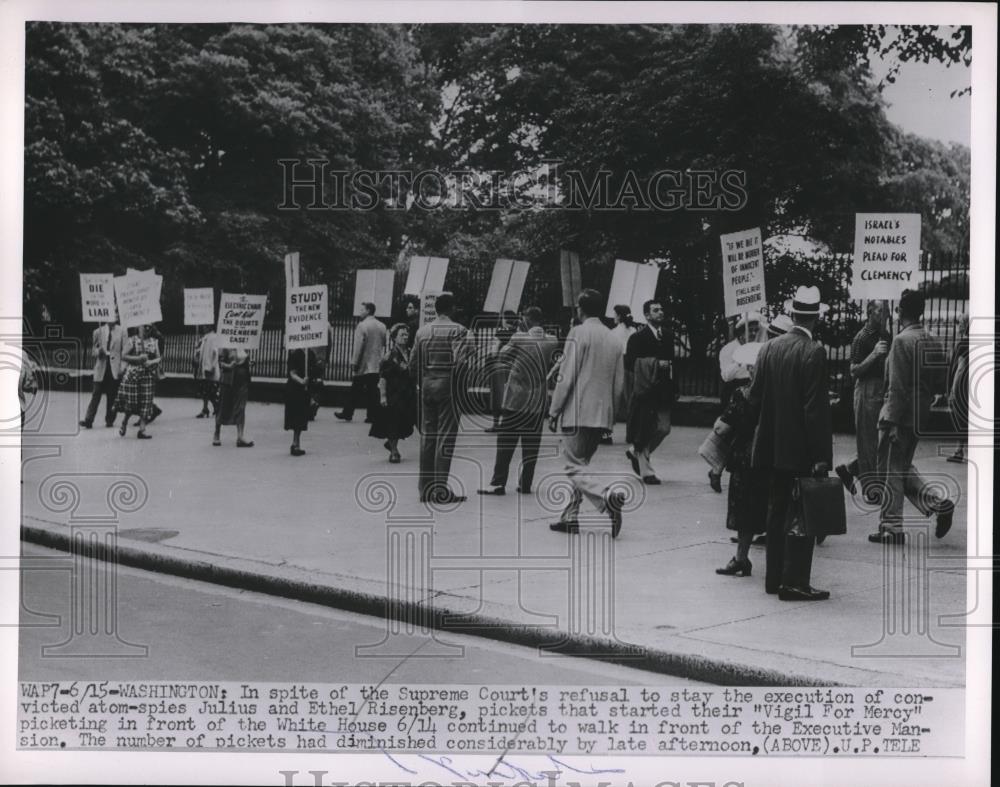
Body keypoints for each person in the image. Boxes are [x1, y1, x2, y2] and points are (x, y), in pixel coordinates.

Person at [746, 285, 833, 601]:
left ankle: (774, 578)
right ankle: (794, 581)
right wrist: (822, 455)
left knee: (776, 509)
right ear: (815, 318)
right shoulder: (814, 352)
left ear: (793, 314)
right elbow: (815, 410)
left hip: (770, 445)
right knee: (801, 514)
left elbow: (754, 397)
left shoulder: (769, 348)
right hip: (800, 450)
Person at [868, 289, 956, 544]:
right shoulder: (932, 339)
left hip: (899, 413)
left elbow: (896, 386)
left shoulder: (901, 341)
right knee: (903, 467)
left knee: (890, 471)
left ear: (900, 312)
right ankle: (937, 504)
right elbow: (940, 380)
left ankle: (892, 527)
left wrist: (891, 420)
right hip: (921, 413)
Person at [548, 289, 626, 537]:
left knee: (573, 466)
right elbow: (619, 382)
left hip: (577, 409)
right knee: (582, 464)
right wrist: (611, 415)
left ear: (581, 309)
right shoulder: (614, 338)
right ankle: (569, 516)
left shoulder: (579, 333)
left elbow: (567, 374)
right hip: (602, 412)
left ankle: (606, 495)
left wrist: (554, 409)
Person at [478, 306, 559, 496]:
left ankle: (498, 482)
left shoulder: (518, 338)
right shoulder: (552, 341)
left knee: (506, 441)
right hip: (537, 399)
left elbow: (501, 356)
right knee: (532, 443)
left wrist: (507, 338)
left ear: (527, 320)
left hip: (516, 398)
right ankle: (526, 483)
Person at [411, 292, 474, 503]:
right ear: (452, 308)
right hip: (448, 385)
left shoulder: (422, 331)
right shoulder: (459, 330)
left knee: (428, 436)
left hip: (427, 384)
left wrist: (422, 381)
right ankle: (440, 490)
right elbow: (461, 361)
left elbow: (414, 362)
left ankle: (425, 489)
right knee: (445, 437)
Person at [716, 341, 768, 577]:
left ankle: (741, 557)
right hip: (769, 456)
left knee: (743, 510)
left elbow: (723, 429)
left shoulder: (741, 394)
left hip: (745, 457)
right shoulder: (776, 395)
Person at [833, 301, 890, 500]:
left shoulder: (885, 335)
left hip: (881, 388)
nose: (885, 315)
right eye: (881, 311)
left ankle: (849, 469)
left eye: (886, 311)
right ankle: (871, 489)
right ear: (869, 313)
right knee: (867, 441)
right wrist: (874, 355)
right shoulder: (862, 338)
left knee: (879, 440)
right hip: (866, 388)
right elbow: (854, 371)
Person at [624, 299, 675, 485]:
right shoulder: (637, 337)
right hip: (646, 390)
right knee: (645, 429)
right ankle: (647, 472)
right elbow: (629, 362)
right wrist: (653, 362)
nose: (660, 312)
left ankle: (634, 452)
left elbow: (672, 362)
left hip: (663, 390)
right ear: (646, 315)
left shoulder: (668, 335)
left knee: (663, 428)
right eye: (655, 310)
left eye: (661, 309)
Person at [369, 323, 417, 463]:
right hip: (394, 394)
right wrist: (383, 396)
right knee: (393, 422)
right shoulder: (389, 356)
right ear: (394, 338)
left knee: (406, 423)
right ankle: (394, 451)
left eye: (406, 335)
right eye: (401, 335)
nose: (405, 337)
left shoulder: (410, 352)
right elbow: (383, 378)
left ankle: (391, 443)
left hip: (407, 393)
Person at [336, 302, 387, 423]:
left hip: (364, 364)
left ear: (368, 310)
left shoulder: (362, 326)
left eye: (362, 310)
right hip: (376, 363)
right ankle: (372, 415)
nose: (360, 312)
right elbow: (384, 343)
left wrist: (354, 362)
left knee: (355, 389)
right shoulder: (382, 326)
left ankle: (347, 412)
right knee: (372, 390)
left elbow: (358, 346)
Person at [114, 324, 160, 439]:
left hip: (148, 375)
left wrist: (151, 362)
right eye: (145, 326)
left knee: (146, 402)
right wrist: (138, 359)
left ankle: (142, 430)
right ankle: (124, 422)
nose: (147, 329)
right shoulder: (133, 340)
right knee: (132, 403)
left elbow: (159, 357)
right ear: (139, 327)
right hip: (133, 376)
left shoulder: (154, 342)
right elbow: (123, 355)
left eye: (150, 327)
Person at [79, 319, 124, 429]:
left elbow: (125, 351)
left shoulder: (122, 331)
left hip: (114, 367)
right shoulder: (98, 331)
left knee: (112, 395)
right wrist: (99, 351)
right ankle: (88, 419)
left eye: (115, 315)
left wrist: (122, 368)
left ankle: (110, 419)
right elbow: (93, 351)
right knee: (96, 393)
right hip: (101, 366)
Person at [604, 304, 636, 444]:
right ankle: (632, 433)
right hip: (632, 367)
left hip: (618, 365)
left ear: (619, 316)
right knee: (631, 400)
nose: (613, 317)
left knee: (613, 399)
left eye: (615, 314)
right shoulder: (633, 330)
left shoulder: (613, 333)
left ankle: (607, 433)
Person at [719, 313, 762, 409]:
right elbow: (726, 376)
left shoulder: (756, 348)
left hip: (751, 392)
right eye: (750, 330)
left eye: (756, 330)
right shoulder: (729, 349)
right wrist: (739, 361)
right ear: (741, 332)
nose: (754, 333)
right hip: (733, 390)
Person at [485, 311, 518, 432]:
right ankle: (508, 423)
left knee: (497, 395)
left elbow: (494, 351)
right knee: (509, 395)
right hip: (513, 367)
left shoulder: (501, 332)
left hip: (499, 367)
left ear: (505, 319)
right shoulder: (518, 333)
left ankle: (495, 424)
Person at [214, 347, 254, 447]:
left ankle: (240, 436)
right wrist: (229, 366)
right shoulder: (226, 344)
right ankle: (217, 433)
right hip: (228, 380)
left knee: (241, 407)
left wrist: (249, 363)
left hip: (242, 380)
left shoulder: (244, 344)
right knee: (223, 406)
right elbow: (220, 363)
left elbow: (243, 360)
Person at [285, 347, 322, 456]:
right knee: (297, 416)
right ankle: (295, 444)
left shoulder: (310, 353)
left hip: (305, 390)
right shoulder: (295, 353)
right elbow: (292, 373)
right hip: (295, 389)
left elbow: (314, 370)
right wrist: (302, 381)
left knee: (301, 417)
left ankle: (296, 443)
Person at [946, 313, 970, 463]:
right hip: (970, 385)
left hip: (960, 383)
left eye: (961, 323)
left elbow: (953, 368)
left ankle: (960, 450)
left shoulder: (962, 344)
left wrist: (949, 390)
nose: (959, 326)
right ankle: (961, 449)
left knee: (960, 418)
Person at [194, 326, 220, 418]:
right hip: (204, 368)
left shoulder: (213, 337)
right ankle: (207, 409)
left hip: (209, 368)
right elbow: (201, 352)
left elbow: (215, 352)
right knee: (205, 390)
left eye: (205, 326)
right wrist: (198, 348)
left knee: (209, 390)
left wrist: (212, 366)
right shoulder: (205, 338)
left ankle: (214, 408)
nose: (203, 327)